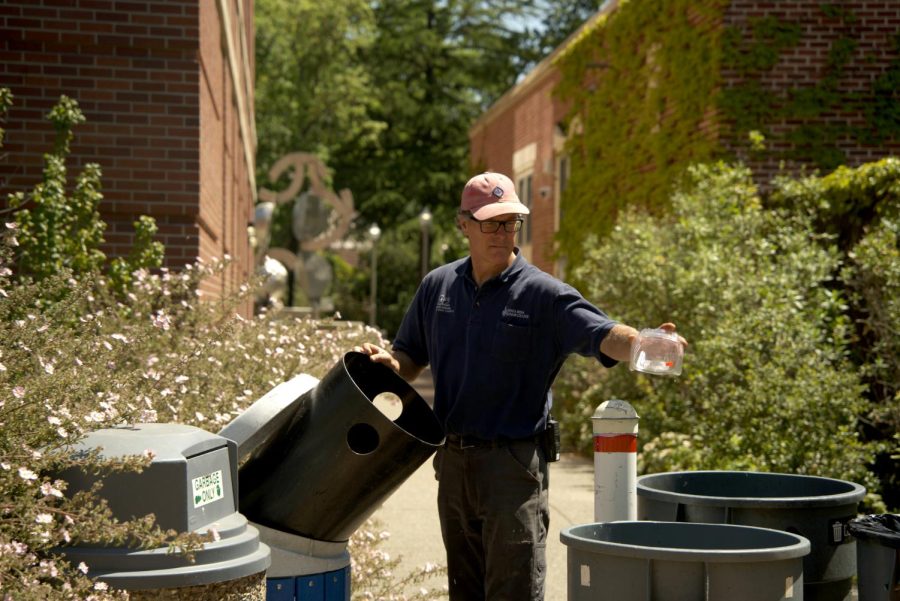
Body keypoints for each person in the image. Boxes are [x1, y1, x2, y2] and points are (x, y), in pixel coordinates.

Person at [356, 171, 687, 600]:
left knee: (514, 591)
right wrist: (390, 363)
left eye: (511, 222)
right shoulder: (437, 287)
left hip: (512, 469)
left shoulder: (543, 295)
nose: (502, 233)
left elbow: (603, 332)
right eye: (491, 222)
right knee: (465, 591)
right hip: (453, 465)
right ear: (464, 224)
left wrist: (644, 343)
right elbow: (410, 356)